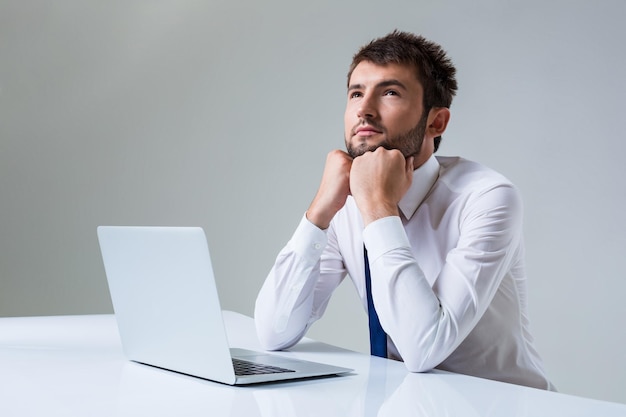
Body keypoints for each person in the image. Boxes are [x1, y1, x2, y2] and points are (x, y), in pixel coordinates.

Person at [254, 30, 553, 390]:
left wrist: (378, 207)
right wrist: (319, 211)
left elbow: (424, 348)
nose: (364, 109)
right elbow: (274, 331)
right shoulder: (344, 201)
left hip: (505, 404)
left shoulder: (487, 198)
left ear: (436, 122)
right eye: (356, 93)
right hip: (409, 401)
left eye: (390, 92)